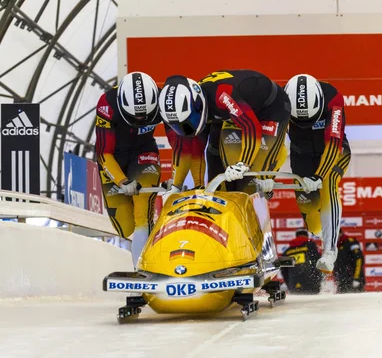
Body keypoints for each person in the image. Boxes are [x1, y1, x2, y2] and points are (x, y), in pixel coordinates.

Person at [158, 70, 291, 195]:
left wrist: (242, 164)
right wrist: (178, 186)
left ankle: (271, 169)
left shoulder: (222, 95)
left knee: (252, 175)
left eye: (187, 121)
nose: (186, 128)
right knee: (224, 163)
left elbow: (251, 126)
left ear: (197, 105)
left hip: (271, 108)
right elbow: (189, 149)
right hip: (236, 111)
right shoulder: (197, 103)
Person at [284, 74, 351, 273]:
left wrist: (319, 176)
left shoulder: (333, 99)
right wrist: (266, 178)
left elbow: (333, 144)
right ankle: (319, 230)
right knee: (311, 215)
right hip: (301, 157)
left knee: (329, 182)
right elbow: (274, 142)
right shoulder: (281, 103)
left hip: (333, 151)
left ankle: (330, 251)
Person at [95, 71, 161, 267]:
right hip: (113, 157)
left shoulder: (161, 101)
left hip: (144, 152)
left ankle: (142, 271)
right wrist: (122, 181)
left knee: (143, 212)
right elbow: (103, 153)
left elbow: (179, 139)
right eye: (136, 115)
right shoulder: (107, 104)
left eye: (145, 115)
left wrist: (176, 174)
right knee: (125, 226)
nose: (140, 119)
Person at [281, 229, 322, 294]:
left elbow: (284, 271)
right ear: (307, 236)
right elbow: (318, 262)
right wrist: (319, 280)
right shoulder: (311, 245)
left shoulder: (287, 252)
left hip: (294, 282)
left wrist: (289, 285)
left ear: (296, 236)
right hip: (310, 281)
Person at [333, 228, 365, 293]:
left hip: (354, 278)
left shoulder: (350, 242)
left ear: (340, 233)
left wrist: (357, 278)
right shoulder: (335, 246)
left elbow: (358, 259)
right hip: (342, 281)